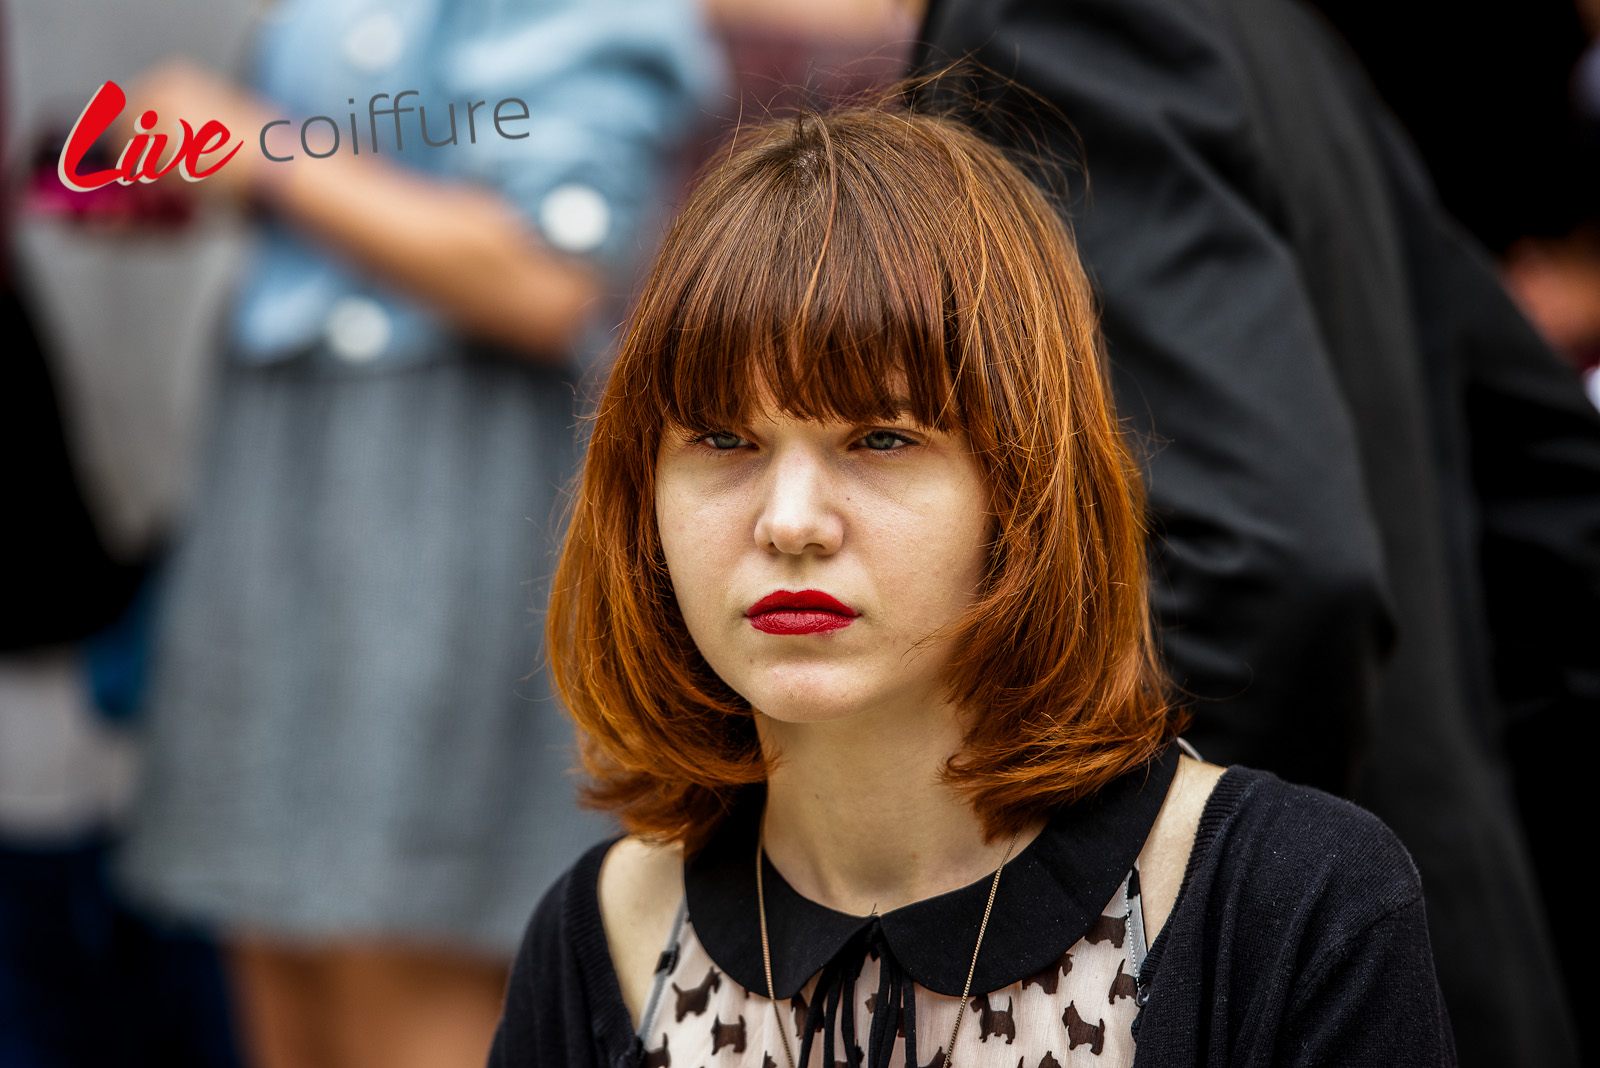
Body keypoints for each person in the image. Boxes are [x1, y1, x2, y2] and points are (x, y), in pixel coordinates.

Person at [488, 106, 1455, 1068]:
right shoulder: (604, 938)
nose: (789, 521)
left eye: (881, 439)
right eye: (723, 440)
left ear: (1023, 486)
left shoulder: (1292, 906)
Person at [910, 2, 1600, 1064]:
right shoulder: (1270, 30)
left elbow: (1272, 575)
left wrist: (1099, 943)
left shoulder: (1056, 21)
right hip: (1465, 964)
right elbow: (1548, 488)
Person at [111, 2, 720, 1067]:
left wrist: (249, 146)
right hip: (291, 486)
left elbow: (547, 269)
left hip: (435, 500)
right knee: (281, 937)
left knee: (399, 938)